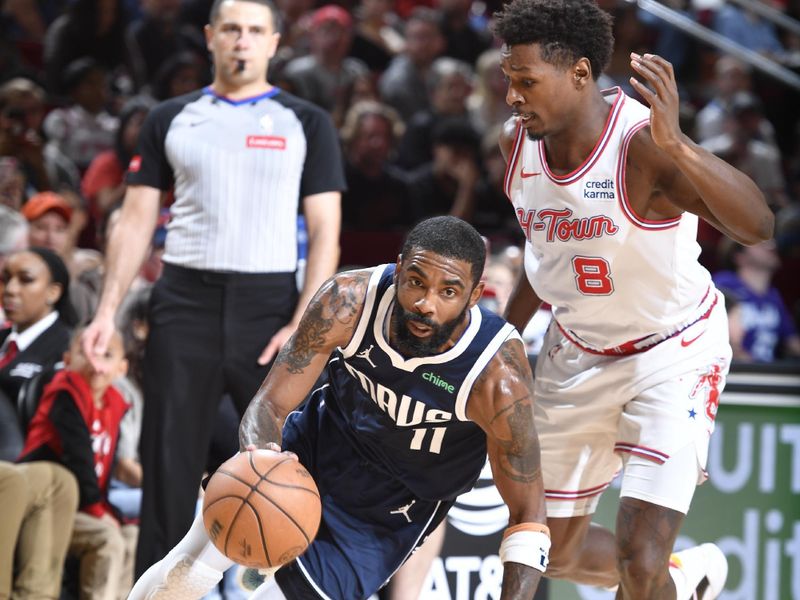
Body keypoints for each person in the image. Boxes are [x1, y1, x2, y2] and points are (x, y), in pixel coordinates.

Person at [494, 0, 774, 598]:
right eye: (508, 80)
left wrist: (679, 148)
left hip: (671, 352)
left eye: (526, 81)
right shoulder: (514, 145)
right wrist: (501, 337)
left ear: (579, 73)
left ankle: (662, 573)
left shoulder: (641, 145)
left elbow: (759, 225)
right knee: (556, 551)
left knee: (639, 560)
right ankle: (687, 577)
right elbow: (545, 254)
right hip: (576, 352)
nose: (513, 96)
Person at [128, 216, 548, 600]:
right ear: (399, 268)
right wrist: (263, 466)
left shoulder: (497, 377)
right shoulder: (347, 302)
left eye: (449, 291)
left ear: (475, 295)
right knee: (185, 572)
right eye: (416, 282)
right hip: (312, 451)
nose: (426, 303)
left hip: (389, 510)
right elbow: (269, 405)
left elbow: (528, 513)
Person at [80, 0, 345, 577]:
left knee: (287, 473)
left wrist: (305, 323)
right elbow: (134, 221)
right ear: (210, 37)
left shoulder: (306, 121)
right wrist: (105, 311)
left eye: (255, 31)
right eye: (231, 29)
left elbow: (327, 233)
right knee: (169, 471)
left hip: (272, 306)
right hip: (183, 301)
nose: (242, 41)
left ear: (274, 42)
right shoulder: (170, 117)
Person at [19, 328, 135, 600]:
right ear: (67, 359)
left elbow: (104, 469)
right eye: (87, 353)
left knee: (132, 537)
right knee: (108, 540)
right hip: (49, 505)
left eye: (106, 355)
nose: (96, 363)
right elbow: (78, 457)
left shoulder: (114, 404)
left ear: (121, 368)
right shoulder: (63, 392)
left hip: (85, 506)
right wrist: (98, 509)